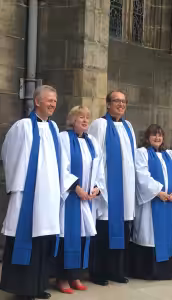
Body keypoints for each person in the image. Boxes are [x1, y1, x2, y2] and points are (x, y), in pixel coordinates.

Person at [0, 85, 61, 300]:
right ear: (37, 102)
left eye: (55, 101)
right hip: (28, 194)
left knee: (43, 241)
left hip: (49, 196)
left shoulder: (54, 128)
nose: (53, 104)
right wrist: (19, 187)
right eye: (49, 100)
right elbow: (10, 154)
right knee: (26, 238)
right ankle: (22, 289)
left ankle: (38, 286)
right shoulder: (23, 126)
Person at [87, 90, 136, 285]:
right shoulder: (100, 125)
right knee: (105, 231)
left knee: (122, 230)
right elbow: (94, 155)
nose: (121, 104)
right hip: (108, 188)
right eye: (117, 101)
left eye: (124, 101)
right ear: (108, 104)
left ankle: (116, 270)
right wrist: (97, 184)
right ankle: (99, 272)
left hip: (125, 188)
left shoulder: (128, 126)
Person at [55, 106, 106, 293]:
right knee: (68, 237)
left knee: (84, 237)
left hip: (87, 200)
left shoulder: (92, 142)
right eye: (80, 118)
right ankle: (62, 279)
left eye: (87, 118)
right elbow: (61, 167)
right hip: (70, 198)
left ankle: (75, 276)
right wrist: (76, 188)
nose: (85, 121)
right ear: (72, 120)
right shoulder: (63, 139)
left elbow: (100, 168)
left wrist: (97, 189)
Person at [128, 124, 172, 280]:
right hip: (151, 203)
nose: (157, 138)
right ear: (147, 137)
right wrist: (158, 192)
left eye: (160, 135)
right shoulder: (142, 153)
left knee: (168, 235)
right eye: (154, 135)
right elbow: (142, 175)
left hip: (170, 202)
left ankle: (167, 271)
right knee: (149, 234)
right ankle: (148, 271)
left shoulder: (170, 155)